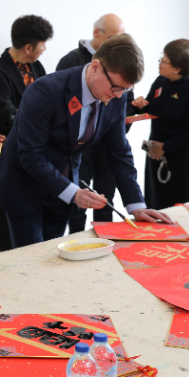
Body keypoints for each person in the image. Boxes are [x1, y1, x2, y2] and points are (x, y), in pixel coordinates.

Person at [0, 34, 173, 248]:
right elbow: (30, 155)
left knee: (53, 256)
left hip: (62, 192)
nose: (118, 95)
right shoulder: (45, 91)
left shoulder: (117, 98)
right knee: (32, 259)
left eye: (125, 90)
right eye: (116, 87)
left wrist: (136, 205)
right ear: (95, 67)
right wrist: (74, 193)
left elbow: (119, 151)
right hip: (24, 189)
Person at [56, 14, 135, 232]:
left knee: (105, 196)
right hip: (79, 146)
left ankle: (105, 239)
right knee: (78, 197)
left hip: (107, 143)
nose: (118, 43)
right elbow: (61, 110)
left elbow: (123, 105)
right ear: (96, 33)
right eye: (113, 37)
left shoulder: (122, 66)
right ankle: (77, 240)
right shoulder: (71, 61)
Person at [0, 15, 53, 251]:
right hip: (9, 160)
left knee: (35, 226)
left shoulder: (36, 67)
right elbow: (5, 117)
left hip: (35, 157)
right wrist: (40, 124)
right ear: (28, 47)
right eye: (42, 44)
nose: (44, 49)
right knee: (12, 225)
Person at [131, 40, 189, 209]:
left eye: (164, 60)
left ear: (177, 69)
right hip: (155, 155)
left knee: (180, 210)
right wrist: (141, 104)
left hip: (182, 162)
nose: (159, 62)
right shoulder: (161, 81)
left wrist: (165, 147)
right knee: (155, 205)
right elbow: (152, 106)